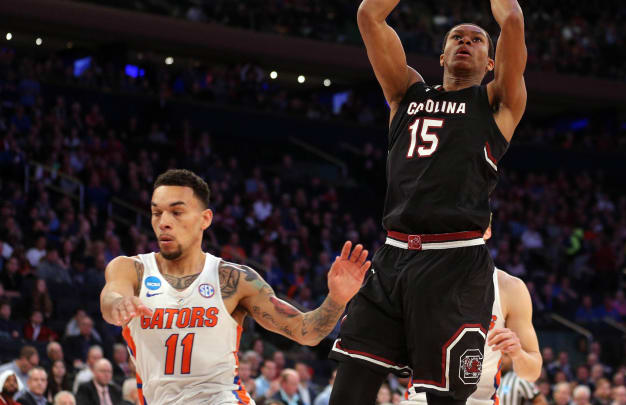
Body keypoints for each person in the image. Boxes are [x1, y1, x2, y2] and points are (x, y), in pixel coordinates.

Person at [330, 0, 527, 401]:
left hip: (454, 262)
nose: (465, 43)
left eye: (477, 40)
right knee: (349, 387)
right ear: (442, 55)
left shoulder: (496, 103)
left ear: (491, 63)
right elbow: (369, 16)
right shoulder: (406, 93)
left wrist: (505, 19)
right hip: (393, 257)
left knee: (443, 397)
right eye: (457, 37)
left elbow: (513, 20)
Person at [100, 169, 370, 404]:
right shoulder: (130, 269)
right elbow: (111, 298)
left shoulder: (234, 279)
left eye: (177, 211)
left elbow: (306, 332)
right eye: (156, 212)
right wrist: (118, 304)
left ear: (205, 219)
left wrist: (337, 298)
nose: (164, 221)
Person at [403, 264, 542, 405]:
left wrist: (517, 354)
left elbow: (532, 372)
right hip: (422, 399)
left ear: (487, 239)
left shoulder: (510, 287)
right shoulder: (423, 280)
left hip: (481, 401)